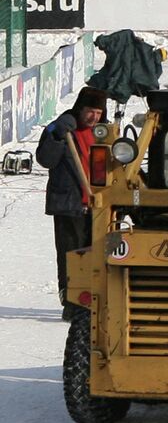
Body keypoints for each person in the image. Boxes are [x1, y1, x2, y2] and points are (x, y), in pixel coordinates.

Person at [37, 86, 107, 321]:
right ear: (80, 109)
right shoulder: (63, 129)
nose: (93, 117)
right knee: (71, 256)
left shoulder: (102, 132)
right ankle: (71, 302)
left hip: (98, 205)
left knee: (97, 256)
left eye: (98, 112)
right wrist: (55, 135)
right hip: (69, 204)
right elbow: (45, 159)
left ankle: (94, 301)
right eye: (90, 111)